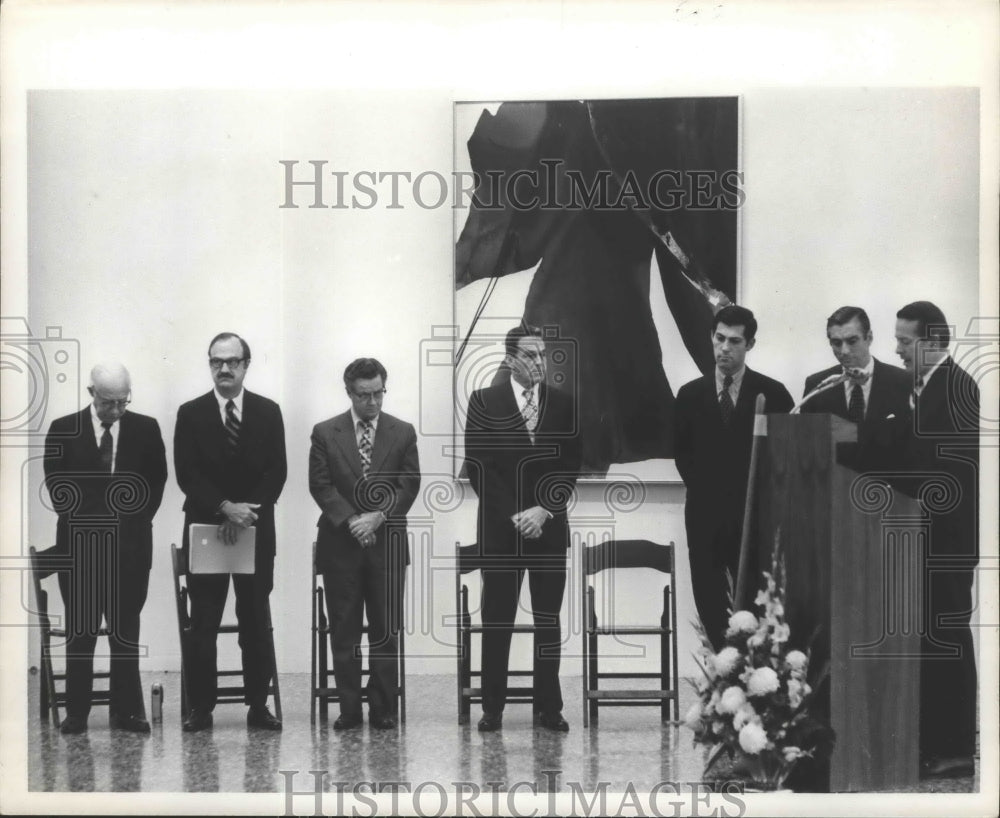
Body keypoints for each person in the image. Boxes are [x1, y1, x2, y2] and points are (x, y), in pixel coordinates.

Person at [464, 325, 582, 733]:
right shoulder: (484, 401)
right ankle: (492, 707)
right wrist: (518, 514)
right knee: (499, 621)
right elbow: (480, 469)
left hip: (548, 531)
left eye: (543, 355)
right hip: (501, 532)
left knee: (548, 621)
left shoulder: (564, 404)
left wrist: (543, 511)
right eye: (530, 355)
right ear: (510, 358)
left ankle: (549, 706)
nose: (539, 362)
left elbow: (570, 468)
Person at [43, 363, 167, 734]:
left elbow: (155, 484)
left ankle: (127, 712)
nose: (115, 410)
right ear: (90, 393)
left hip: (129, 551)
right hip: (80, 551)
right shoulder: (63, 429)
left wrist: (125, 524)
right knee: (81, 633)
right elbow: (59, 490)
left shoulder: (146, 429)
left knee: (125, 633)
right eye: (108, 402)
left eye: (122, 401)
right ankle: (77, 713)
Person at [174, 332, 287, 732]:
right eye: (216, 361)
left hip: (254, 531)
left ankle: (258, 705)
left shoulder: (268, 412)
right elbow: (187, 473)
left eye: (231, 361)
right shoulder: (190, 413)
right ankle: (200, 708)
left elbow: (278, 472)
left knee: (254, 621)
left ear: (245, 365)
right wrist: (224, 508)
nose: (223, 368)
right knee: (203, 623)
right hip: (207, 527)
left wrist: (244, 514)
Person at [308, 358, 420, 730]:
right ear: (349, 392)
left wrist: (378, 516)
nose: (372, 403)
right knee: (345, 630)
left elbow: (409, 483)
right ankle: (350, 710)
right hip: (341, 546)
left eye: (378, 394)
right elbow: (320, 485)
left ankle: (384, 709)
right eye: (364, 395)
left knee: (385, 629)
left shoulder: (403, 432)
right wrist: (354, 520)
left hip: (386, 544)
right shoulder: (325, 433)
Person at [673, 305, 794, 651]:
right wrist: (713, 493)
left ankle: (752, 687)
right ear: (712, 338)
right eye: (720, 338)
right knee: (711, 605)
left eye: (735, 341)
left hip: (755, 519)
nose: (725, 348)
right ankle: (722, 679)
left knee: (756, 607)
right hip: (704, 518)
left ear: (750, 344)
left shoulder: (773, 394)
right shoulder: (689, 396)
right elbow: (683, 457)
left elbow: (782, 460)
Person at [895, 301, 979, 779]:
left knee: (948, 639)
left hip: (946, 542)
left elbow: (943, 475)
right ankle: (935, 744)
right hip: (923, 538)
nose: (897, 349)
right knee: (933, 639)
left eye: (905, 341)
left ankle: (955, 751)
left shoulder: (957, 388)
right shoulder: (927, 386)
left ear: (931, 342)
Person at [800, 306, 912, 469]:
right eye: (836, 343)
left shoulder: (904, 383)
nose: (844, 351)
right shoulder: (817, 386)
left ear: (869, 337)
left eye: (852, 341)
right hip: (834, 490)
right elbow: (808, 449)